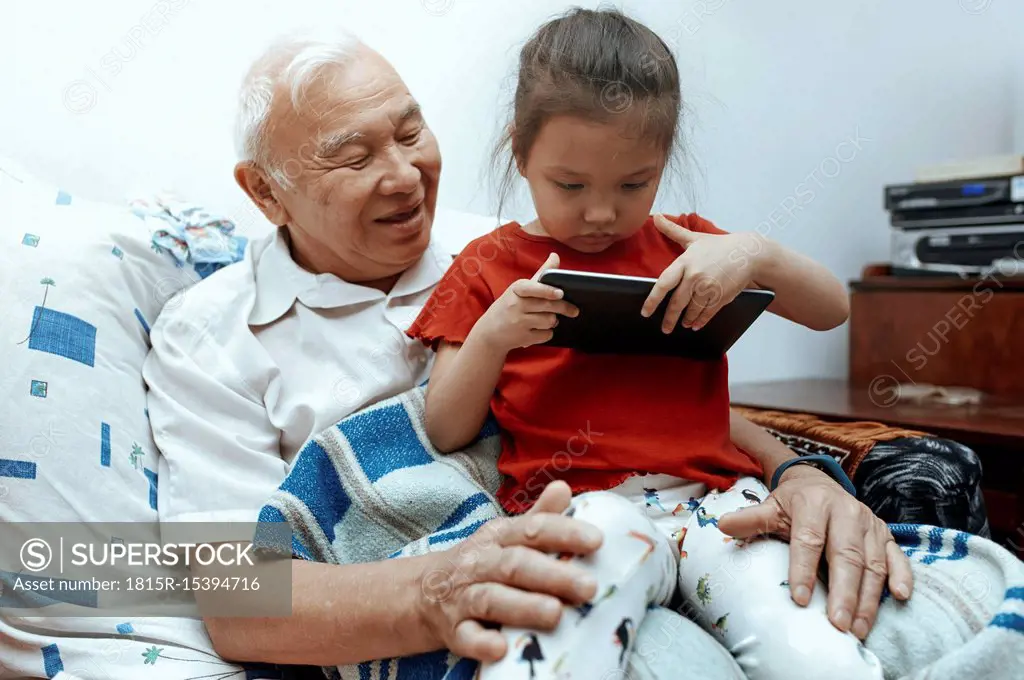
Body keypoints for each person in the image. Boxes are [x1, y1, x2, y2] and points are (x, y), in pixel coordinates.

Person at [143, 24, 910, 675]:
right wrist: (437, 590)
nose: (405, 176)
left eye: (411, 132)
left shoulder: (539, 239)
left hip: (685, 521)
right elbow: (229, 595)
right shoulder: (209, 337)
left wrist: (803, 473)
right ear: (266, 193)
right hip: (480, 580)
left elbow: (657, 393)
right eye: (354, 156)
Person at [406, 9, 898, 679]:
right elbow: (445, 427)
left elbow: (831, 310)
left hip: (725, 509)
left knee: (822, 658)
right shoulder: (486, 266)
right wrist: (494, 334)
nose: (602, 213)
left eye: (634, 184)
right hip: (589, 507)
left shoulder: (690, 244)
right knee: (554, 639)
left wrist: (753, 255)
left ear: (663, 162)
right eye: (570, 186)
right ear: (519, 152)